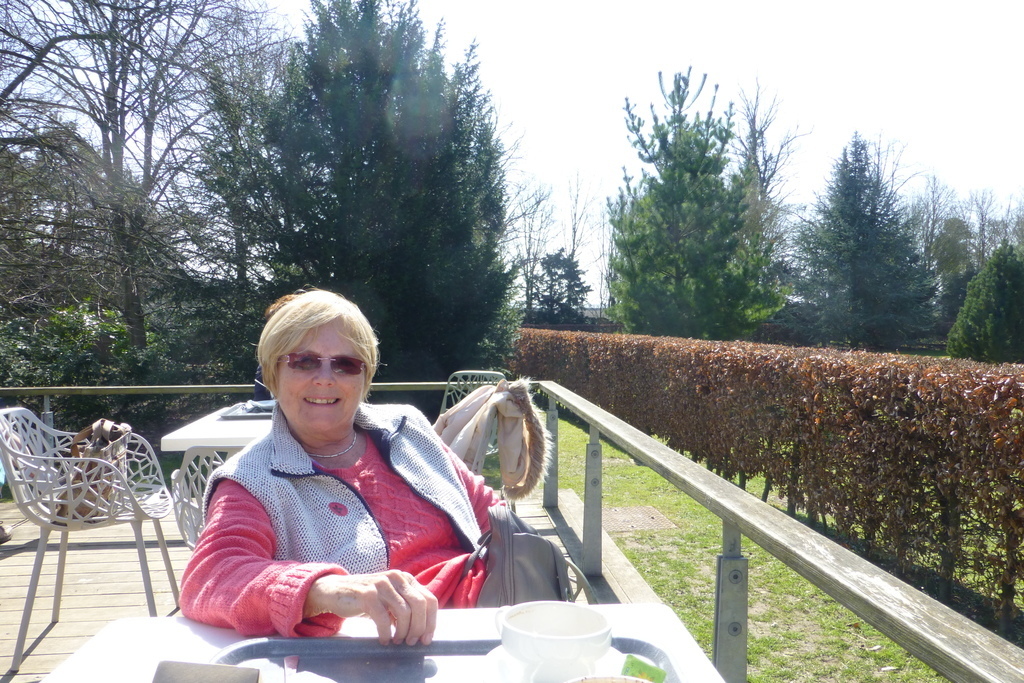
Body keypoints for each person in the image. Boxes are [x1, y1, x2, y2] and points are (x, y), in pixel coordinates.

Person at [181, 289, 502, 645]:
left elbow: (485, 508)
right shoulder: (251, 480)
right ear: (273, 374)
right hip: (381, 651)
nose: (325, 377)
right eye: (304, 361)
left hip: (487, 622)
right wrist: (324, 589)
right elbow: (211, 578)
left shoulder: (407, 427)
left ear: (364, 378)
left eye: (346, 364)